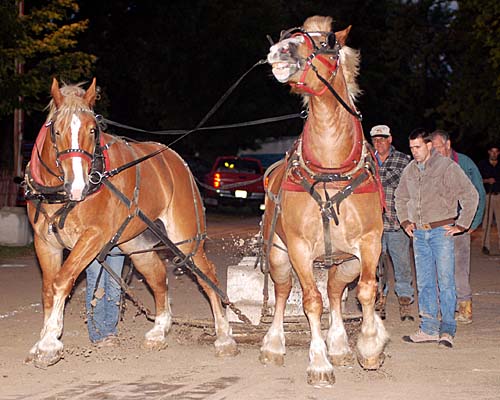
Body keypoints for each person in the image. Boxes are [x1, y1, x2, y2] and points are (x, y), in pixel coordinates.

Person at [395, 128, 478, 348]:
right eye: (411, 148)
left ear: (429, 145)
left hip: (441, 232)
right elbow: (400, 197)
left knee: (446, 281)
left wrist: (461, 224)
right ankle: (429, 328)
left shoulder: (447, 167)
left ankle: (447, 329)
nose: (414, 152)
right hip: (419, 234)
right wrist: (405, 222)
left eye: (418, 147)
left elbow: (470, 195)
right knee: (425, 283)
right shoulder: (410, 170)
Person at [431, 130, 485, 324]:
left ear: (447, 144)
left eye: (436, 147)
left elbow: (478, 192)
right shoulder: (433, 164)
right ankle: (445, 308)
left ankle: (465, 308)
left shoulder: (465, 163)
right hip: (439, 223)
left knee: (459, 268)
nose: (434, 151)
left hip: (460, 223)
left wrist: (472, 223)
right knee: (439, 268)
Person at [370, 124, 414, 321]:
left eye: (382, 139)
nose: (378, 143)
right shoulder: (366, 160)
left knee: (402, 265)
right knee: (375, 266)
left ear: (390, 139)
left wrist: (371, 173)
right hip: (372, 225)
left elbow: (388, 179)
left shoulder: (404, 160)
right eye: (375, 140)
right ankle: (380, 301)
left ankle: (405, 303)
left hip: (397, 223)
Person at [86, 247, 125, 346]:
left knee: (115, 283)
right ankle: (97, 333)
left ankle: (110, 330)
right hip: (92, 238)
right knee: (97, 283)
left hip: (116, 239)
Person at [477, 145, 500, 255]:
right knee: (486, 221)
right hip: (488, 195)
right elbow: (477, 179)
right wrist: (487, 180)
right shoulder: (482, 164)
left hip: (499, 196)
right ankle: (485, 245)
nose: (494, 154)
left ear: (498, 153)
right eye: (492, 151)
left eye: (496, 152)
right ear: (489, 152)